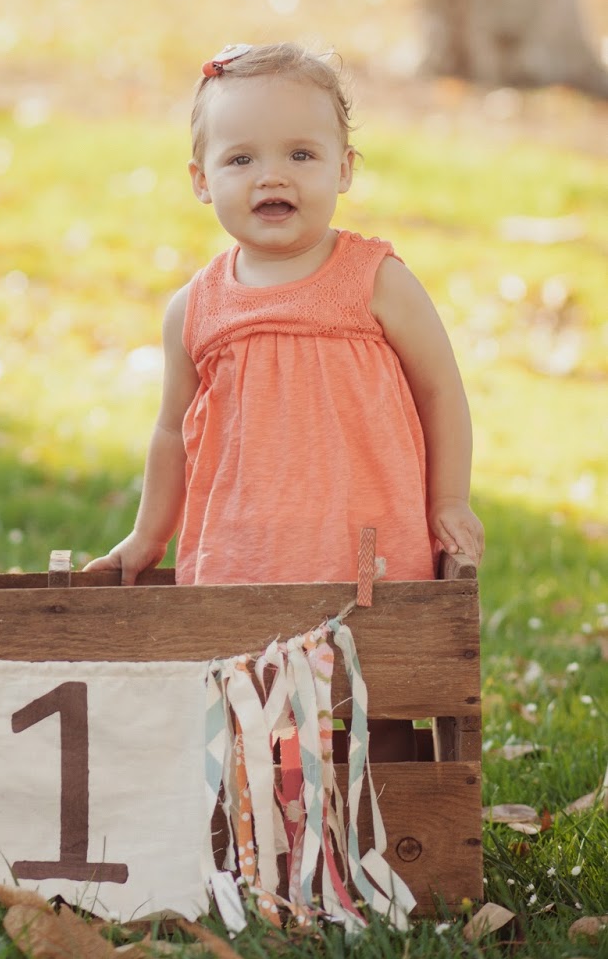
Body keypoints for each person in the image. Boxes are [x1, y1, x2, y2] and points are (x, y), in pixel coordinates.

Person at [85, 41, 484, 588]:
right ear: (202, 180)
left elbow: (440, 391)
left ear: (343, 169)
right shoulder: (194, 308)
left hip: (365, 553)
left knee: (367, 641)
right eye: (241, 159)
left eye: (300, 155)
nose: (272, 177)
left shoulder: (377, 281)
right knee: (241, 645)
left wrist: (450, 499)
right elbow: (172, 433)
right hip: (239, 557)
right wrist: (148, 536)